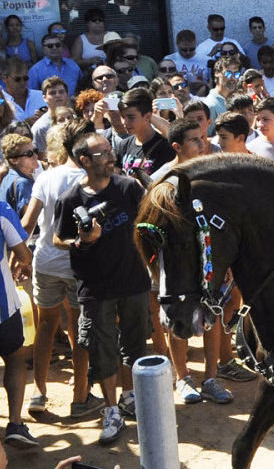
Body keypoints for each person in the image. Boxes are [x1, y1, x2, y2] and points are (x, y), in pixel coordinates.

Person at [53, 131, 152, 445]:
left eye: (111, 151)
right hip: (95, 287)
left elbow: (148, 221)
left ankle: (130, 396)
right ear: (84, 161)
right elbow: (59, 238)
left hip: (133, 280)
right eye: (103, 153)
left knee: (135, 345)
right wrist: (83, 240)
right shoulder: (71, 198)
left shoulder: (128, 188)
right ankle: (111, 410)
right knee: (103, 349)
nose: (111, 157)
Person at [22, 120, 104, 421]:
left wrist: (18, 255)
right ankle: (80, 397)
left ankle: (39, 393)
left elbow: (28, 224)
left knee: (46, 327)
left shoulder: (46, 177)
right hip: (79, 266)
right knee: (79, 330)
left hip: (45, 263)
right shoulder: (92, 178)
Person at [0, 199, 35, 449]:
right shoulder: (1, 209)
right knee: (14, 357)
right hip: (3, 307)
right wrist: (22, 264)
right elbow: (23, 254)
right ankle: (15, 423)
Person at [113, 88, 176, 179]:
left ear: (147, 117)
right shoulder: (123, 145)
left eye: (131, 117)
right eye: (123, 117)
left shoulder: (164, 148)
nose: (125, 122)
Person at [0, 134, 39, 217]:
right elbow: (29, 222)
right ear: (14, 160)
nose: (36, 156)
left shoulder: (7, 177)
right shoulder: (22, 183)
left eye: (35, 151)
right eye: (29, 154)